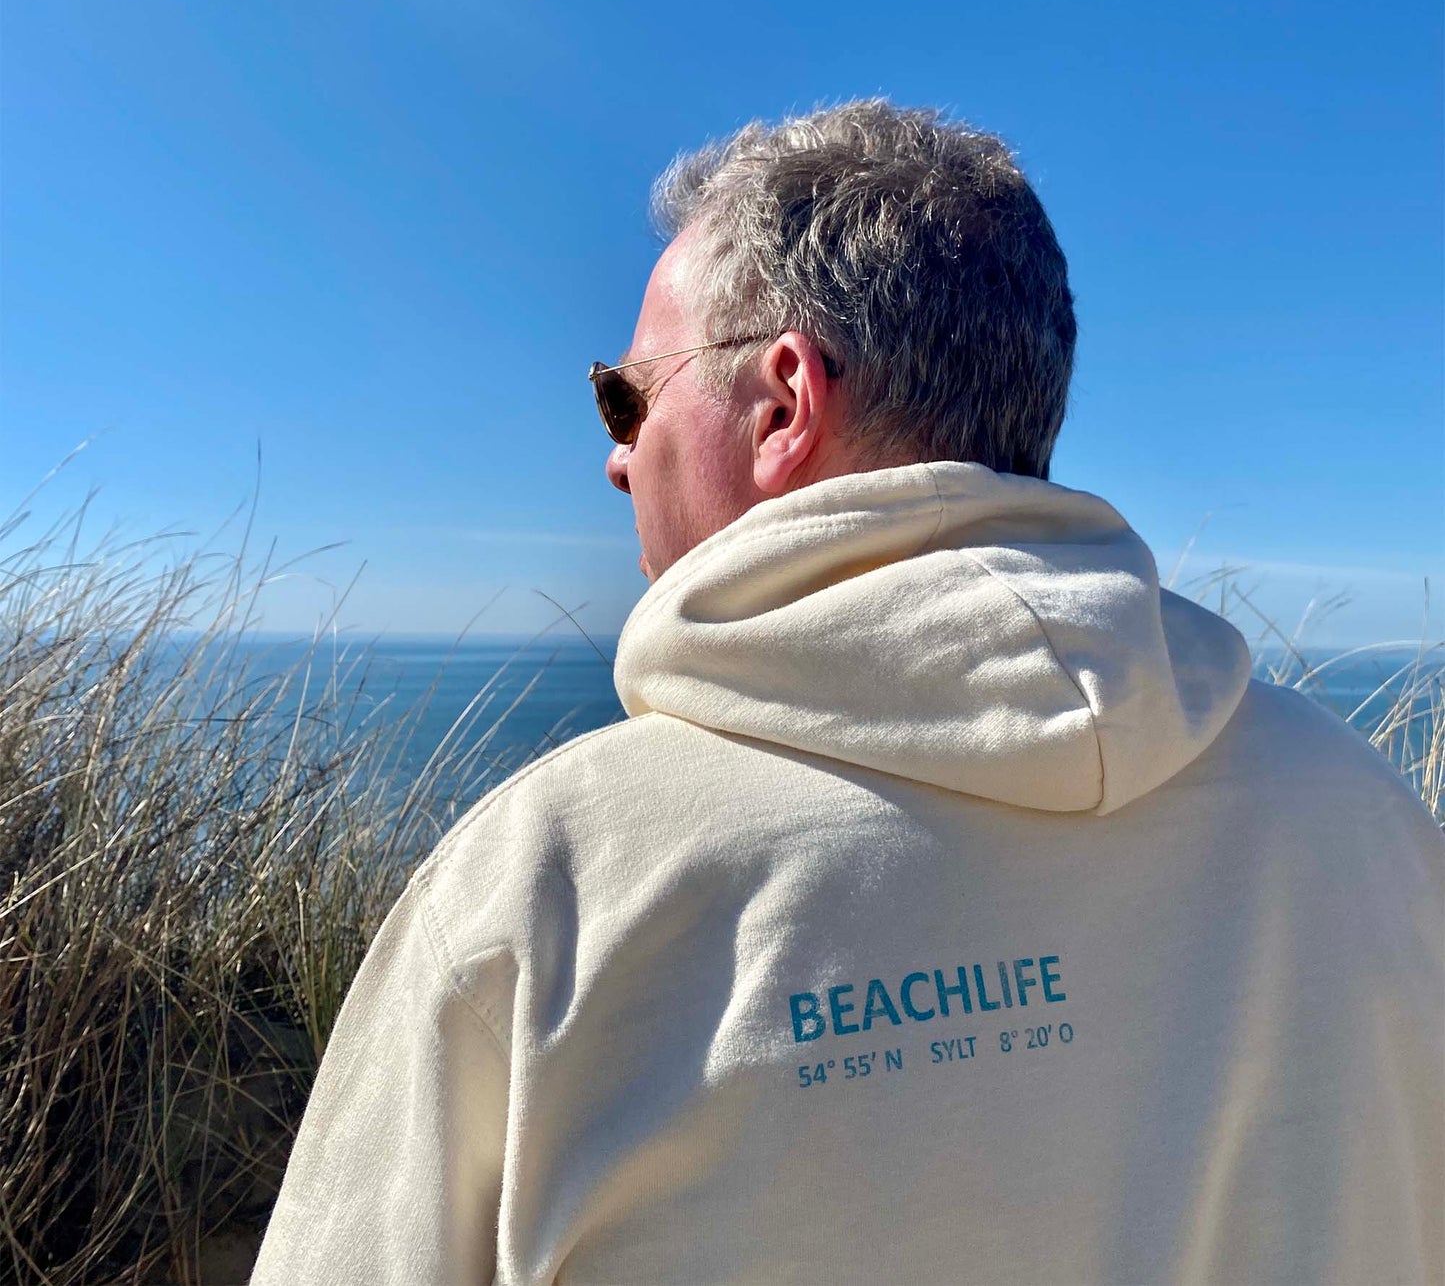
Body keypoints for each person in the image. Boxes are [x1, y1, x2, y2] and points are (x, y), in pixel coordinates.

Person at [253, 101, 1443, 1285]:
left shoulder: (544, 888)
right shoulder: (1367, 818)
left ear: (780, 404)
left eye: (626, 399)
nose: (616, 455)